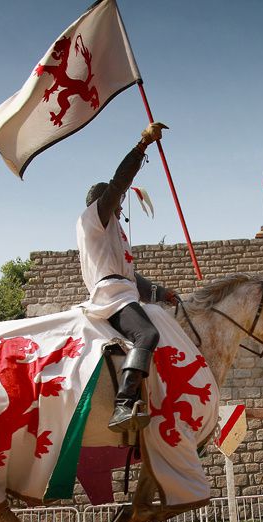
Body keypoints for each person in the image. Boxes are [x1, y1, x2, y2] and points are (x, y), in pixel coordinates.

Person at [78, 122, 178, 433]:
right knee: (147, 335)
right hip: (111, 296)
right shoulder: (95, 219)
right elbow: (119, 182)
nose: (121, 205)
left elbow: (134, 279)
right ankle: (123, 404)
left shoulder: (114, 233)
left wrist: (163, 294)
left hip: (124, 291)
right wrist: (142, 145)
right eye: (117, 200)